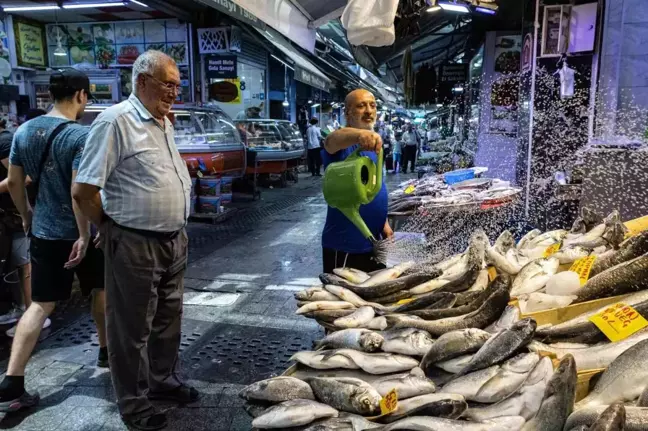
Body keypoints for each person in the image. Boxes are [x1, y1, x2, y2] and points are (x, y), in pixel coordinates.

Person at [72, 51, 196, 431]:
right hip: (134, 242)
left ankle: (162, 381)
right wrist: (109, 227)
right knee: (130, 328)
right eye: (167, 83)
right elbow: (83, 189)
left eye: (177, 84)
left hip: (173, 240)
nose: (175, 91)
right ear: (142, 81)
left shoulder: (162, 123)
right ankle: (133, 403)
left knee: (167, 320)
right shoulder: (115, 122)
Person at [0, 69, 107, 413]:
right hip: (81, 234)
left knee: (40, 304)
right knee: (101, 291)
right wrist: (84, 233)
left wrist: (28, 215)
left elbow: (15, 182)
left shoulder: (23, 131)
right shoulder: (81, 134)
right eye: (87, 97)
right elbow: (80, 193)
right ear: (80, 95)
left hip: (43, 232)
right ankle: (106, 351)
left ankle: (13, 379)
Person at [321, 89, 393, 273]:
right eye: (361, 106)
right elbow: (330, 141)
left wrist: (383, 222)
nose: (369, 111)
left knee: (373, 297)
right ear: (347, 112)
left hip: (375, 242)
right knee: (345, 299)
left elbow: (375, 185)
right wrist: (359, 135)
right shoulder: (343, 144)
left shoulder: (373, 144)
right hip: (345, 246)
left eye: (373, 105)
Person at [0, 118, 47, 336]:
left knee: (24, 263)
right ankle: (24, 310)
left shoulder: (5, 141)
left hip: (18, 213)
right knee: (19, 264)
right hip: (15, 214)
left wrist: (26, 213)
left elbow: (19, 179)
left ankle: (32, 313)